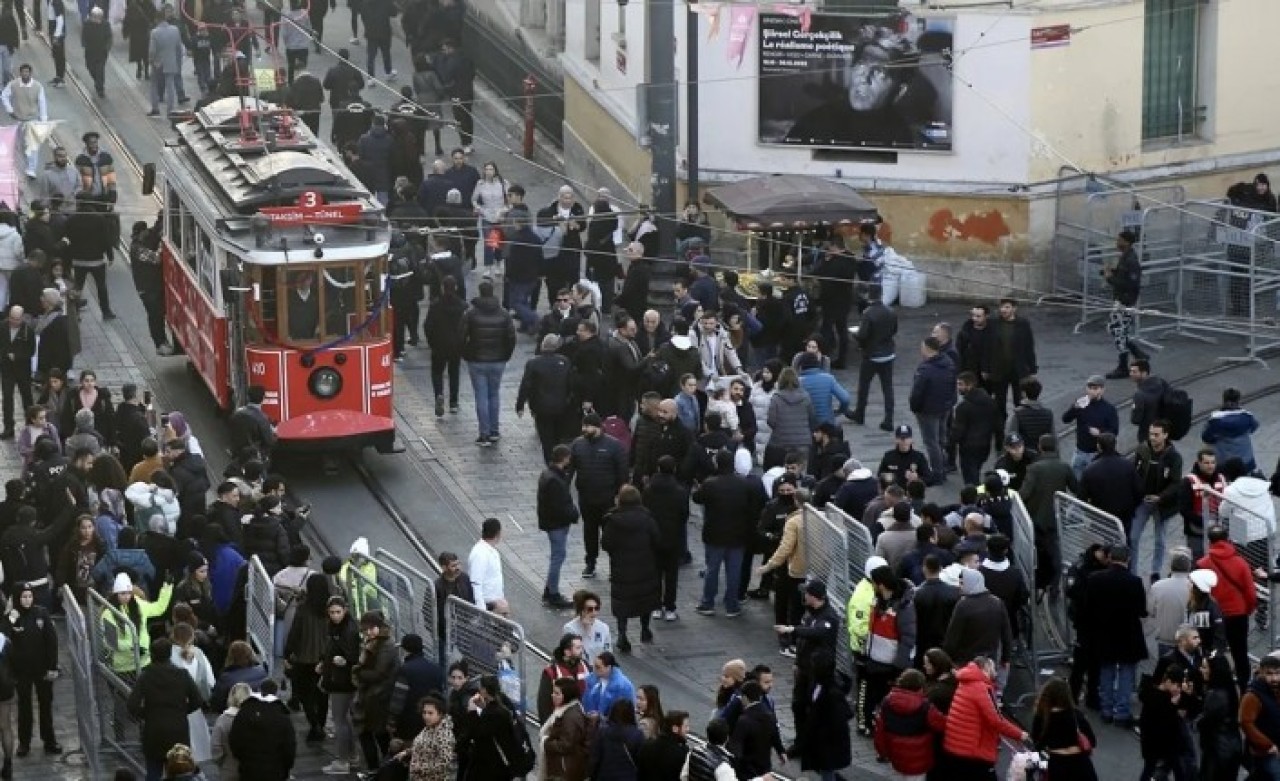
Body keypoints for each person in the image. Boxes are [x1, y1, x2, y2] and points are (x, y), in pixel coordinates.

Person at [693, 449, 767, 618]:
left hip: (715, 534)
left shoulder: (710, 483)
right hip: (737, 535)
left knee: (712, 570)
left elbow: (697, 498)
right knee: (734, 571)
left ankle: (708, 603)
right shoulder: (744, 484)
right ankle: (732, 605)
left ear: (717, 463)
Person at [1081, 545, 1146, 728]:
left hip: (1103, 632)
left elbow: (1087, 608)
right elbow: (1141, 610)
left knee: (1106, 670)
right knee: (1126, 672)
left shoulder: (1095, 579)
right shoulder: (1135, 581)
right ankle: (1122, 711)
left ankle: (1106, 709)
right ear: (1128, 559)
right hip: (1128, 633)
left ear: (1110, 559)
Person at [127, 638, 204, 781]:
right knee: (180, 771)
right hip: (178, 729)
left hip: (154, 730)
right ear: (169, 654)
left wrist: (147, 714)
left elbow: (132, 705)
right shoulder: (182, 674)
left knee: (154, 772)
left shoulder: (146, 676)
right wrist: (182, 711)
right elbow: (198, 700)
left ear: (152, 654)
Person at [942, 656, 1028, 780]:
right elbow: (996, 720)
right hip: (972, 752)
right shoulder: (981, 688)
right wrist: (1019, 734)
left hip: (956, 747)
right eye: (993, 667)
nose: (995, 671)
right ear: (985, 668)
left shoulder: (965, 682)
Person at [601, 485, 661, 653]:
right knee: (645, 598)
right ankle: (645, 629)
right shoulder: (647, 518)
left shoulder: (613, 520)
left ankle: (622, 634)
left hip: (622, 568)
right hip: (645, 566)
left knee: (622, 601)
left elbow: (606, 544)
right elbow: (657, 539)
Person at [0, 583, 57, 757]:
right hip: (21, 672)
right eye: (24, 597)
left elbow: (51, 642)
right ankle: (24, 743)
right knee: (24, 708)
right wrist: (10, 620)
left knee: (45, 705)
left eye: (30, 596)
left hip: (42, 669)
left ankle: (50, 740)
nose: (27, 600)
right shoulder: (11, 617)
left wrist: (52, 667)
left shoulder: (41, 613)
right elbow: (2, 639)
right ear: (17, 598)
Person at [1198, 525, 1257, 690]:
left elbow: (1198, 596)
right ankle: (1245, 689)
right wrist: (1248, 609)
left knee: (1213, 652)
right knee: (1240, 653)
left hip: (1213, 615)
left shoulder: (1202, 564)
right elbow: (1250, 592)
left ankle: (1216, 688)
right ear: (1227, 539)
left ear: (1209, 541)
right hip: (1238, 614)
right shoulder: (1240, 563)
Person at [460, 280, 516, 445]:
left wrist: (466, 354)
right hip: (498, 360)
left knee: (481, 396)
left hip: (477, 360)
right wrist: (506, 355)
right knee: (494, 394)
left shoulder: (471, 314)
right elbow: (511, 337)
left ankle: (484, 433)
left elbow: (461, 336)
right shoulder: (504, 313)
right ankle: (494, 430)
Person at [1130, 419, 1183, 578]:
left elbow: (1175, 483)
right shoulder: (1142, 450)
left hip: (1162, 504)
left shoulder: (1174, 457)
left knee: (1160, 540)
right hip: (1143, 501)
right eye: (1151, 434)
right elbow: (1133, 472)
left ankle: (1155, 571)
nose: (1152, 438)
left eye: (1156, 435)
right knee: (1133, 537)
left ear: (1165, 435)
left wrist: (1160, 497)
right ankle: (1132, 572)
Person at [874, 668, 947, 781]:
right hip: (919, 758)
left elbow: (879, 730)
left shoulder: (887, 701)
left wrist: (882, 752)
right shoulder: (925, 706)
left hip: (897, 755)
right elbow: (942, 725)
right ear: (920, 686)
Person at [319, 596, 360, 775]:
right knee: (345, 720)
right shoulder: (341, 627)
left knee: (340, 720)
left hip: (341, 681)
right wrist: (324, 661)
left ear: (345, 610)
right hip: (339, 678)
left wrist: (344, 661)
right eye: (332, 612)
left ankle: (342, 760)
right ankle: (352, 756)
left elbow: (352, 656)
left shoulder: (347, 631)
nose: (335, 615)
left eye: (338, 612)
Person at [1030, 677, 1097, 781]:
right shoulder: (1076, 714)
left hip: (1058, 765)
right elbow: (1092, 741)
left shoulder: (1042, 717)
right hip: (1081, 764)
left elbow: (1037, 744)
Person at [536, 444, 578, 608]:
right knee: (558, 557)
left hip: (552, 523)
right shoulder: (555, 480)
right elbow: (560, 506)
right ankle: (553, 594)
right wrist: (574, 513)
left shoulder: (549, 474)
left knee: (557, 556)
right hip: (556, 524)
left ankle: (549, 589)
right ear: (565, 458)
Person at [228, 678, 296, 781]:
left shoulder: (244, 711)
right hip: (275, 771)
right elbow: (289, 747)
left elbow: (235, 740)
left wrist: (243, 759)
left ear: (259, 689)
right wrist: (286, 767)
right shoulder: (282, 716)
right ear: (276, 692)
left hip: (248, 769)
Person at [851, 284, 897, 431]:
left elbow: (863, 335)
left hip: (872, 355)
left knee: (864, 386)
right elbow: (894, 330)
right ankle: (889, 418)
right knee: (887, 388)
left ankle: (860, 413)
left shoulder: (868, 313)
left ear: (868, 294)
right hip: (888, 354)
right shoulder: (891, 311)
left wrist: (855, 335)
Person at [910, 336, 955, 483]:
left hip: (928, 411)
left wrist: (915, 407)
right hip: (945, 407)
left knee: (931, 442)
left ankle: (937, 473)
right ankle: (944, 465)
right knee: (941, 439)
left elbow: (917, 393)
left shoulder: (925, 369)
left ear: (927, 349)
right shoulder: (948, 363)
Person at [1101, 228, 1144, 378]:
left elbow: (1129, 283)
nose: (1117, 243)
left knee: (1118, 331)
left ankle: (1123, 366)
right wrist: (1111, 272)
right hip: (1121, 300)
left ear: (1126, 242)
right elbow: (1123, 276)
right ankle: (1137, 353)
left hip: (1125, 301)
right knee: (1115, 329)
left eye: (1119, 240)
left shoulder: (1131, 260)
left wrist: (1109, 278)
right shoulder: (1125, 257)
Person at [387, 633, 443, 743]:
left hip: (408, 726)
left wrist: (391, 723)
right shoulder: (436, 669)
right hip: (432, 723)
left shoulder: (405, 670)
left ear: (406, 650)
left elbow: (397, 701)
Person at [422, 274, 465, 417]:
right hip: (456, 346)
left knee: (437, 372)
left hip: (439, 345)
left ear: (442, 288)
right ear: (456, 288)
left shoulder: (436, 306)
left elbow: (428, 325)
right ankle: (453, 402)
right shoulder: (462, 306)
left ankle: (439, 394)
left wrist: (432, 342)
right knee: (454, 373)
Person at [1199, 653, 1242, 781]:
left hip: (1218, 750)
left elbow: (1206, 722)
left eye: (1205, 667)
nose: (1202, 670)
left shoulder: (1215, 695)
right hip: (1233, 745)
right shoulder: (1230, 689)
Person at [0, 64, 46, 180]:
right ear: (20, 73)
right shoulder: (14, 84)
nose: (25, 74)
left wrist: (43, 120)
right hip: (19, 119)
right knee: (21, 145)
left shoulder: (37, 86)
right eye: (23, 72)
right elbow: (4, 96)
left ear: (31, 73)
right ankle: (24, 165)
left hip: (32, 120)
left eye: (27, 72)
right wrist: (10, 110)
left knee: (32, 145)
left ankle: (31, 169)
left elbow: (42, 103)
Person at [951, 372, 997, 486]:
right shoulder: (990, 402)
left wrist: (950, 443)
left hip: (968, 447)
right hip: (985, 444)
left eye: (960, 384)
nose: (958, 387)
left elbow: (958, 430)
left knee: (970, 478)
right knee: (976, 470)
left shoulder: (963, 407)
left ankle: (975, 498)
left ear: (970, 385)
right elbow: (997, 423)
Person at [0, 306, 33, 439]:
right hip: (7, 369)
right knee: (7, 398)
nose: (14, 322)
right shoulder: (2, 327)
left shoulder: (27, 331)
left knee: (27, 397)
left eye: (17, 319)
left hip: (22, 370)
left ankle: (31, 423)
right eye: (12, 318)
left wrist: (17, 356)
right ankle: (8, 427)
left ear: (22, 318)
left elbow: (31, 351)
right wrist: (5, 355)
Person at [210, 682, 251, 781]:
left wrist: (221, 762)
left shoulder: (223, 720)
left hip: (229, 768)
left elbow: (216, 747)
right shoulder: (254, 718)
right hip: (250, 769)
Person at [563, 590, 612, 664]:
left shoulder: (604, 627)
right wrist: (586, 630)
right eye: (590, 609)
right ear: (581, 610)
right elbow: (573, 655)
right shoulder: (569, 628)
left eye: (596, 608)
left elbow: (608, 653)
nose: (594, 612)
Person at [583, 651, 634, 718]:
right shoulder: (591, 679)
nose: (594, 670)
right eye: (594, 666)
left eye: (598, 667)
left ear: (608, 667)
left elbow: (624, 712)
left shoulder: (623, 686)